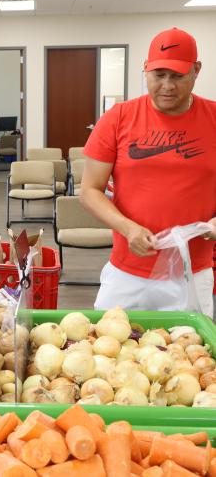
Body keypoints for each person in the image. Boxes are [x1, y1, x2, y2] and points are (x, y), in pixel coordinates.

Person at [80, 27, 216, 317]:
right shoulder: (119, 117)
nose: (167, 85)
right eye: (159, 75)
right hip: (127, 270)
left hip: (192, 273)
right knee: (104, 348)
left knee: (191, 358)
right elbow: (89, 190)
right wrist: (128, 228)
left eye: (177, 76)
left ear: (196, 70)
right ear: (146, 70)